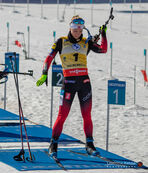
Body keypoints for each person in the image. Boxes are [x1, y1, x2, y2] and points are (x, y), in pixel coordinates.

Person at [36, 15, 107, 157]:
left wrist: (103, 34)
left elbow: (103, 49)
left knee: (87, 115)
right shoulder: (61, 41)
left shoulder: (86, 42)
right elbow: (49, 57)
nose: (77, 31)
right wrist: (44, 73)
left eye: (80, 28)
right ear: (70, 27)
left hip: (84, 83)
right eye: (75, 28)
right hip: (68, 83)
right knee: (62, 115)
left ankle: (90, 144)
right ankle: (53, 144)